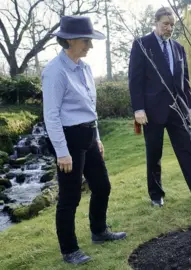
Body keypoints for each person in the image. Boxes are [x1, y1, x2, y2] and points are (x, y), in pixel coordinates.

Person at [42, 16, 126, 265]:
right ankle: (69, 250)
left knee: (102, 186)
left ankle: (99, 232)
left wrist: (97, 137)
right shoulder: (54, 72)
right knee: (70, 197)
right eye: (85, 41)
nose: (90, 46)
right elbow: (51, 116)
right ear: (68, 41)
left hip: (88, 135)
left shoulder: (86, 68)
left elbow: (91, 107)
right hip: (67, 139)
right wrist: (62, 152)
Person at [128, 6, 191, 206]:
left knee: (188, 150)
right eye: (165, 24)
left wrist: (190, 106)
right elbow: (135, 79)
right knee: (154, 154)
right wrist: (138, 109)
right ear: (156, 23)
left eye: (172, 25)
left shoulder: (179, 48)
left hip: (179, 108)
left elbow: (185, 81)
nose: (169, 28)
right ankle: (156, 195)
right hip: (152, 110)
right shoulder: (142, 45)